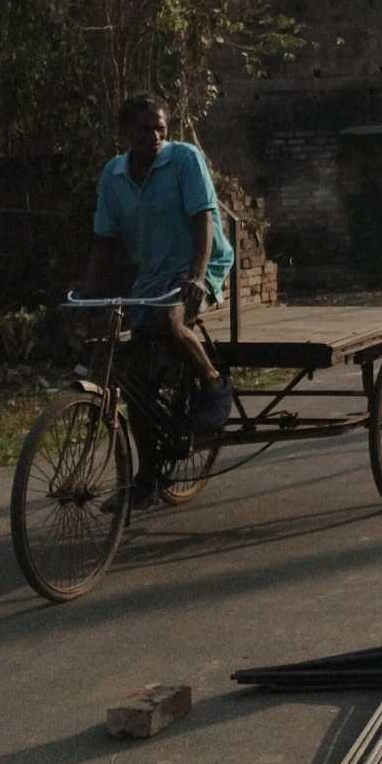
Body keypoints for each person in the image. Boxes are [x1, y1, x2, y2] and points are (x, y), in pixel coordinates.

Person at [80, 94, 235, 497]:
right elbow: (103, 240)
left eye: (161, 128)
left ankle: (214, 383)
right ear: (125, 131)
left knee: (169, 322)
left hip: (199, 264)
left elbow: (202, 219)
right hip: (152, 277)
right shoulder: (113, 175)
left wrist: (198, 277)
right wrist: (88, 294)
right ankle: (147, 477)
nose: (155, 136)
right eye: (145, 128)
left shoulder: (184, 159)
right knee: (135, 380)